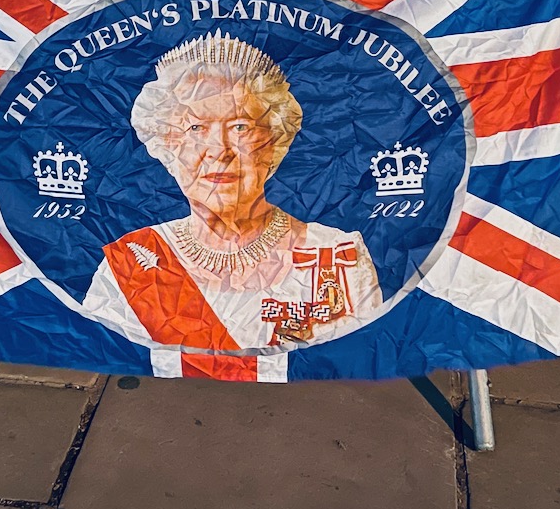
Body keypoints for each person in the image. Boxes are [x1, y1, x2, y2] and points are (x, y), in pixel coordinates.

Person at [82, 31, 381, 351]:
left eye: (240, 127)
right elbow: (104, 357)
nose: (219, 150)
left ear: (273, 144)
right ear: (168, 145)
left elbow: (358, 368)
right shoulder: (130, 265)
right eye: (195, 128)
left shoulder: (337, 256)